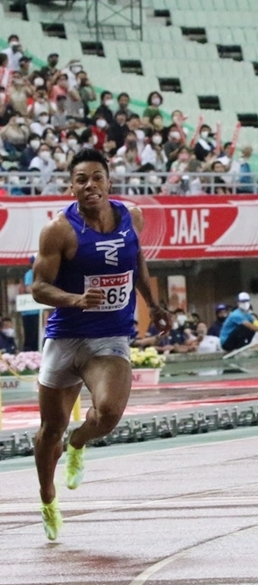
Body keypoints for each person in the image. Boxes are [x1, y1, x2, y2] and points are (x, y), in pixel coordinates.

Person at [30, 148, 171, 540]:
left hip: (109, 336)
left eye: (96, 177)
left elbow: (137, 260)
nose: (89, 185)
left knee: (107, 414)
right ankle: (47, 497)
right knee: (48, 431)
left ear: (109, 182)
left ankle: (79, 442)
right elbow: (38, 287)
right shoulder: (59, 230)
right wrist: (75, 299)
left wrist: (154, 304)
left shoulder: (132, 216)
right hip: (64, 337)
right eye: (81, 179)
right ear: (71, 186)